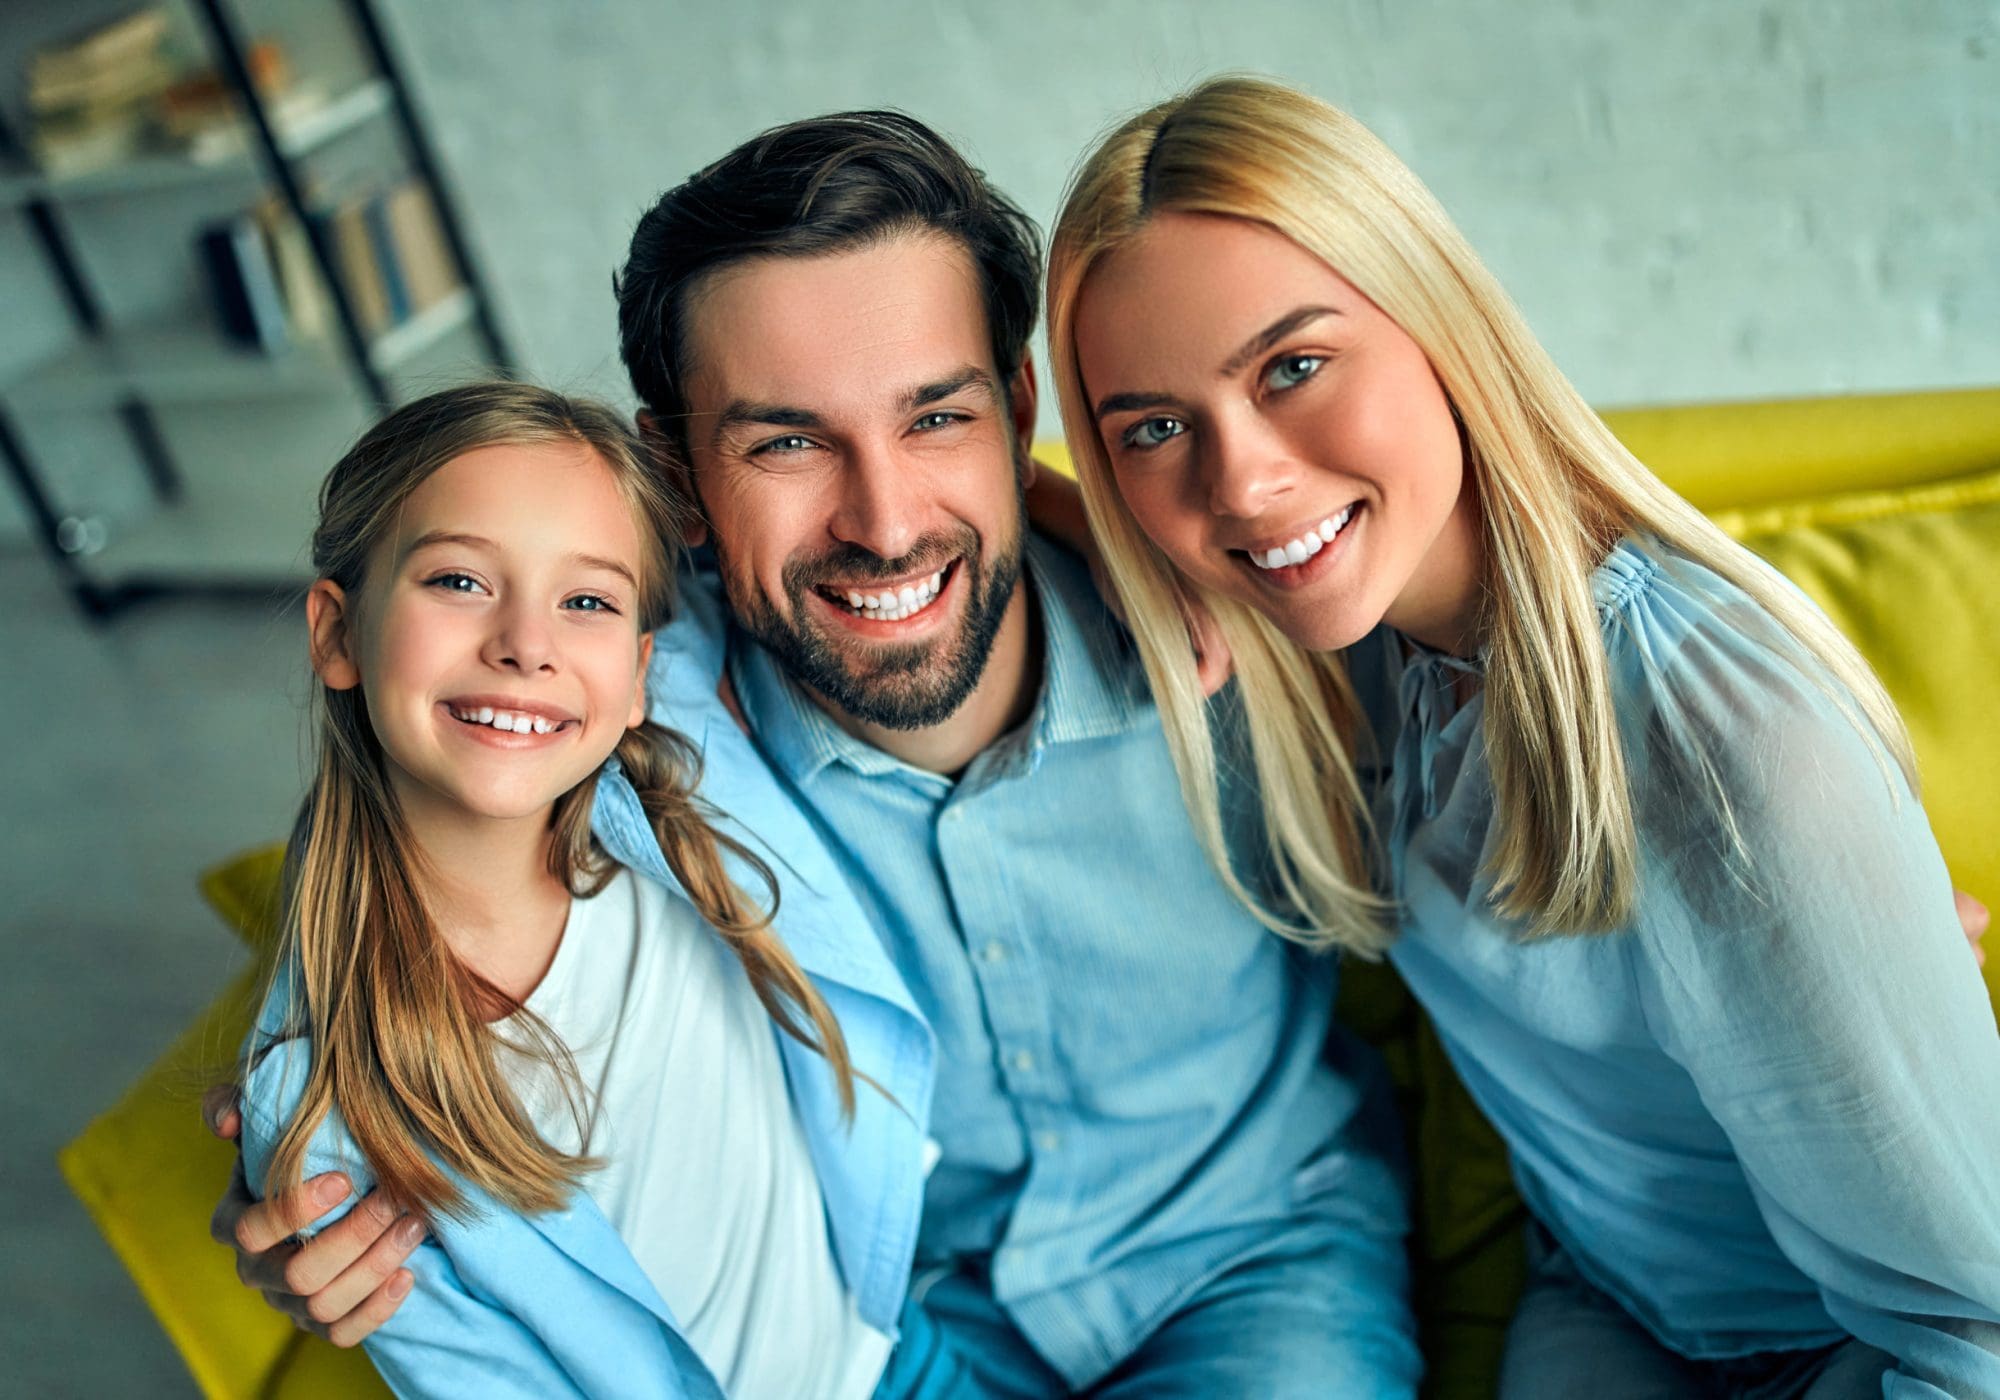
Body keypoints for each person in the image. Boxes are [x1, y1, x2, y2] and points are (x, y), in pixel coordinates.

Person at [210, 113, 1422, 1396]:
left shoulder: (1241, 600)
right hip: (891, 1319)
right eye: (786, 441)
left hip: (1254, 1263)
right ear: (676, 473)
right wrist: (305, 1158)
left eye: (935, 417)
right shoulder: (631, 710)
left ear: (1016, 410)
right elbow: (412, 799)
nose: (885, 522)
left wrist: (1083, 507)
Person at [1045, 75, 2000, 1399]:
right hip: (1608, 1308)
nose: (1243, 485)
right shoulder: (1343, 645)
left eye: (1294, 369)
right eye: (1152, 428)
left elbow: (1977, 1325)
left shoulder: (1719, 732)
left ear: (1435, 324)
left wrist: (1834, 899)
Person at [236, 380, 989, 1397]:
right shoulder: (328, 1110)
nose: (526, 643)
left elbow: (871, 533)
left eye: (584, 598)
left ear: (639, 669)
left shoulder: (676, 723)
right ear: (335, 631)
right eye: (458, 580)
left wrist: (1114, 541)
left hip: (912, 1349)